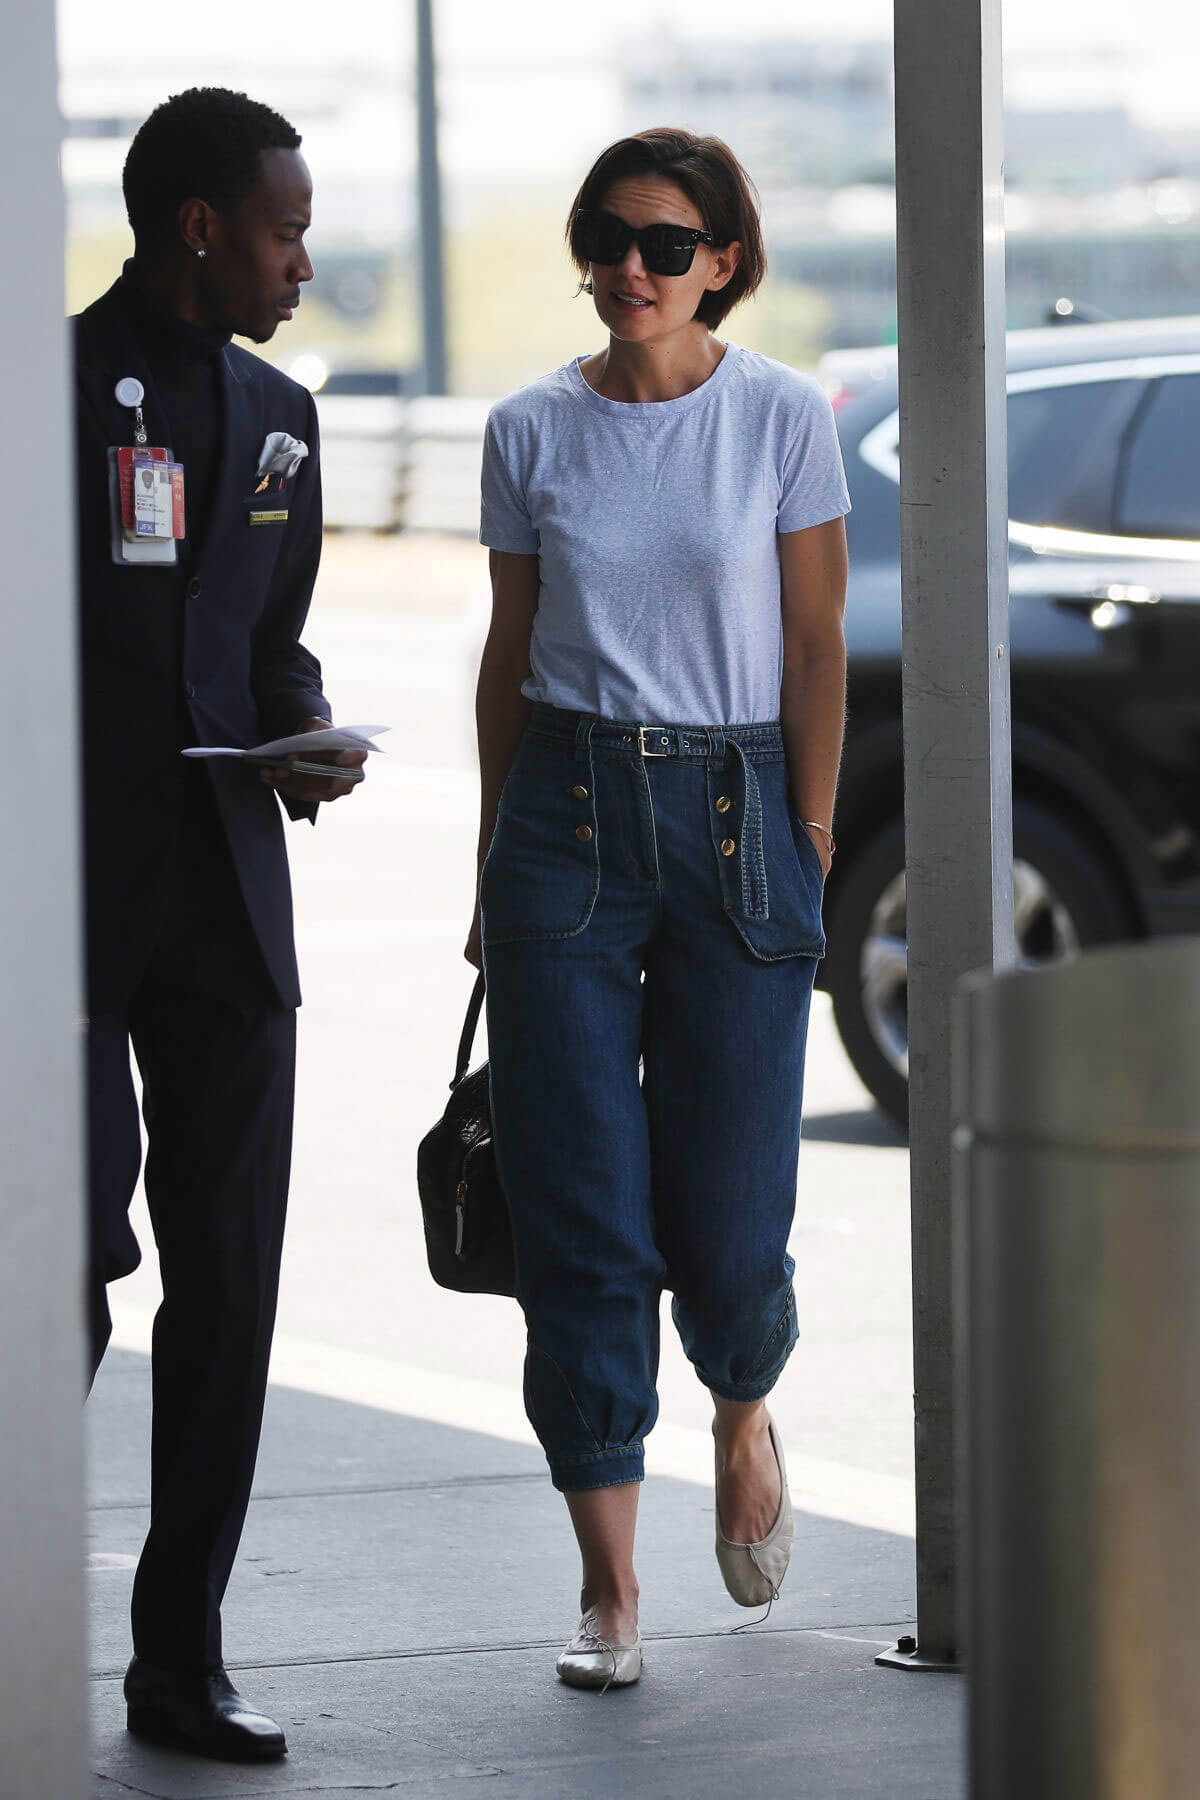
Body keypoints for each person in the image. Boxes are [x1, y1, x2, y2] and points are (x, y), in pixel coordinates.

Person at [468, 128, 850, 1689]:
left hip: (738, 813)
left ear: (725, 263)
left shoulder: (777, 419)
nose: (631, 266)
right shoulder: (527, 429)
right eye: (607, 238)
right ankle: (611, 1590)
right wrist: (493, 860)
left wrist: (809, 835)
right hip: (560, 816)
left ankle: (744, 1402)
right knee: (580, 1212)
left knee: (734, 1208)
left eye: (665, 243)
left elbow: (816, 643)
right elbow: (508, 652)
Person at [77, 87, 365, 1761]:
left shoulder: (280, 416)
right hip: (56, 907)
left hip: (229, 913)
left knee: (231, 1288)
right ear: (201, 225)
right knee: (56, 1277)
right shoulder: (35, 393)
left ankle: (181, 1660)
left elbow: (276, 647)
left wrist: (304, 733)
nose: (302, 259)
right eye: (284, 228)